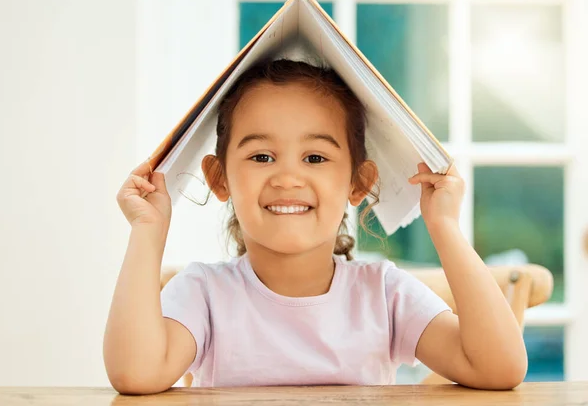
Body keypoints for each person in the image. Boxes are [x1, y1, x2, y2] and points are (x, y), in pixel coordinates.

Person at [103, 60, 527, 394]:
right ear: (220, 178)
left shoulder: (384, 293)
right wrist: (147, 230)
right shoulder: (204, 293)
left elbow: (499, 367)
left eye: (316, 158)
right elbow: (136, 374)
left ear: (359, 182)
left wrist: (445, 227)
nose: (288, 178)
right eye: (262, 157)